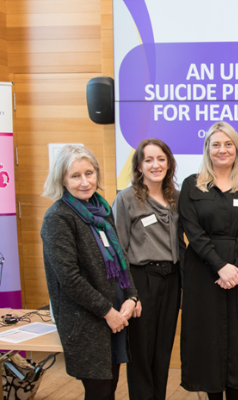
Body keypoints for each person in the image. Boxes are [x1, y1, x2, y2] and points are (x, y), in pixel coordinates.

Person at [40, 144, 138, 400]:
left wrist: (132, 296)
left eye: (89, 173)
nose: (85, 182)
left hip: (114, 315)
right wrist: (107, 312)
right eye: (75, 176)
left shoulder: (101, 210)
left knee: (110, 387)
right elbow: (69, 279)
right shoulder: (58, 217)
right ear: (62, 180)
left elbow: (120, 258)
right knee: (99, 391)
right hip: (87, 321)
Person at [178, 122, 238, 400]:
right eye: (215, 144)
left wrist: (237, 268)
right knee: (207, 337)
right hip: (204, 273)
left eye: (228, 144)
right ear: (207, 149)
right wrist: (220, 266)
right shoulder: (191, 185)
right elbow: (193, 231)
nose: (222, 149)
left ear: (236, 148)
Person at [112, 138, 183, 400]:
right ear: (139, 166)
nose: (156, 165)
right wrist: (130, 293)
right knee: (141, 351)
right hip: (141, 279)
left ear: (169, 163)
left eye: (161, 159)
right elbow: (118, 250)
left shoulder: (176, 198)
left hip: (171, 278)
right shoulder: (126, 199)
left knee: (163, 349)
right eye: (149, 160)